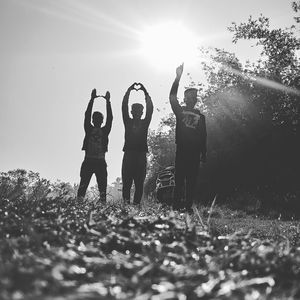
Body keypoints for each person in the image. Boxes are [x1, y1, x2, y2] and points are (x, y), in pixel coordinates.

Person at [169, 64, 207, 212]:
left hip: (195, 152)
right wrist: (177, 78)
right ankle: (176, 206)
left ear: (196, 100)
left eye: (195, 97)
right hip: (182, 150)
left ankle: (188, 206)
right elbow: (172, 98)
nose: (193, 99)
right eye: (190, 97)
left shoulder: (201, 117)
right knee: (179, 180)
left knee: (191, 180)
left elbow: (204, 135)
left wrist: (203, 152)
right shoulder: (180, 112)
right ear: (185, 99)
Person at [77, 88, 112, 203]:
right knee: (83, 186)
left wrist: (108, 102)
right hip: (88, 161)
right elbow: (86, 115)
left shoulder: (105, 131)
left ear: (102, 121)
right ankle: (78, 205)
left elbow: (110, 118)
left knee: (102, 188)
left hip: (100, 162)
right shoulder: (89, 129)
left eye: (99, 119)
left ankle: (103, 207)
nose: (97, 120)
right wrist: (91, 100)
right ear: (92, 120)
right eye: (95, 118)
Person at [122, 82, 153, 205]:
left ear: (141, 112)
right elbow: (124, 106)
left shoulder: (144, 123)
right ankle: (126, 206)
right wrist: (129, 91)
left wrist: (145, 92)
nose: (137, 112)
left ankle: (134, 207)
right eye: (135, 110)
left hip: (139, 155)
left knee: (139, 184)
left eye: (139, 110)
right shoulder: (128, 122)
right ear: (131, 111)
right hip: (130, 154)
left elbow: (150, 109)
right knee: (127, 184)